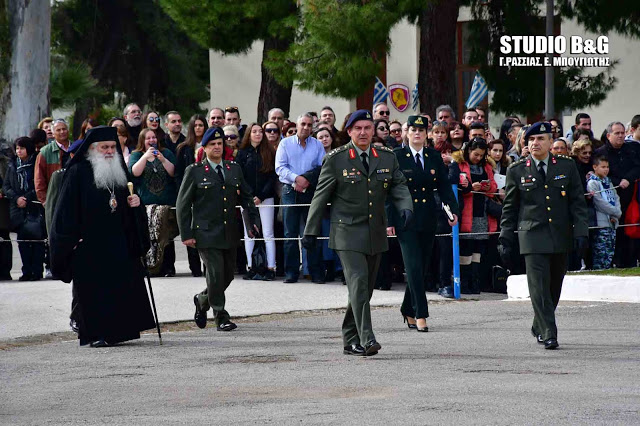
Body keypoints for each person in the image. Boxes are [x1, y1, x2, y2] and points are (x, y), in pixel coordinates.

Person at [302, 110, 413, 357]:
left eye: (367, 128)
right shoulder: (337, 159)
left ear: (373, 131)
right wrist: (310, 231)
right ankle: (367, 338)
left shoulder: (385, 157)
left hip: (375, 232)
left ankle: (349, 338)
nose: (363, 132)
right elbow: (320, 197)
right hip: (346, 231)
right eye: (357, 128)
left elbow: (399, 184)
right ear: (349, 131)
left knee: (363, 289)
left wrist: (405, 207)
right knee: (359, 283)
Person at [50, 126, 156, 347]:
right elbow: (65, 211)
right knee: (95, 294)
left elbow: (129, 202)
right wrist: (70, 240)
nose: (109, 151)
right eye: (104, 147)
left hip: (118, 242)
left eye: (112, 147)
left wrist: (135, 205)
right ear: (91, 149)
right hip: (90, 244)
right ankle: (96, 333)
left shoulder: (119, 170)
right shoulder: (77, 172)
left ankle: (119, 332)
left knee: (120, 289)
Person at [499, 122, 589, 350]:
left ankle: (539, 323)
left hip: (560, 234)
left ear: (551, 142)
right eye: (531, 140)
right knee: (538, 286)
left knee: (554, 287)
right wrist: (505, 236)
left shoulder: (566, 167)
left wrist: (581, 232)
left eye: (540, 139)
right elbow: (510, 208)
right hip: (532, 235)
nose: (535, 143)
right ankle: (549, 332)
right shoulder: (517, 169)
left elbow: (577, 203)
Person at [176, 127, 260, 331]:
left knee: (228, 275)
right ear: (204, 148)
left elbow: (247, 197)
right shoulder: (194, 171)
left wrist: (252, 222)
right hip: (205, 232)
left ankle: (202, 300)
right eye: (212, 144)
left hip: (229, 231)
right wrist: (186, 234)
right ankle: (221, 316)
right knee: (215, 273)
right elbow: (182, 205)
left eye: (220, 144)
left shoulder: (234, 168)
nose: (217, 147)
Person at [387, 116, 458, 332]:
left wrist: (452, 210)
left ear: (426, 133)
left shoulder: (433, 156)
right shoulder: (397, 156)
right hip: (405, 218)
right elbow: (390, 191)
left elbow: (444, 185)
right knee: (413, 266)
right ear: (406, 133)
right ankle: (421, 314)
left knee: (423, 266)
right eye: (413, 129)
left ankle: (407, 309)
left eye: (421, 129)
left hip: (428, 216)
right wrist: (389, 220)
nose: (417, 133)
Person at [275, 113, 325, 283]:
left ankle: (315, 272)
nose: (306, 127)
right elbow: (280, 168)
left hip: (310, 190)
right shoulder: (285, 143)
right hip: (290, 190)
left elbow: (322, 167)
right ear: (296, 125)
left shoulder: (317, 145)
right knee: (290, 233)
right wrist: (296, 179)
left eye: (309, 125)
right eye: (303, 124)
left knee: (311, 232)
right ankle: (291, 272)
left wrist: (306, 180)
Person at [129, 128, 178, 277]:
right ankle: (149, 266)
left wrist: (162, 159)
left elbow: (173, 172)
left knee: (166, 235)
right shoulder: (136, 155)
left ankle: (168, 266)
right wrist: (145, 157)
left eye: (154, 138)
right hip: (146, 205)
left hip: (166, 204)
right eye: (148, 138)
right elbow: (134, 172)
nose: (152, 141)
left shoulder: (167, 153)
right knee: (148, 235)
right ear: (142, 141)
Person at [453, 137, 498, 294]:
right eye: (475, 154)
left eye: (481, 155)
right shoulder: (459, 165)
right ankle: (464, 283)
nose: (478, 158)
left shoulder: (486, 167)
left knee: (478, 249)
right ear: (468, 151)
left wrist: (486, 187)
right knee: (466, 247)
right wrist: (470, 187)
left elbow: (494, 186)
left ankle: (475, 283)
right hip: (466, 211)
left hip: (481, 211)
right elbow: (456, 186)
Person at [594, 121, 640, 268]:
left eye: (622, 133)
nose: (621, 136)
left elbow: (637, 167)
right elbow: (601, 173)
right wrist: (618, 181)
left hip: (630, 196)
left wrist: (628, 179)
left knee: (630, 232)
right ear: (608, 135)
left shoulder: (632, 149)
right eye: (617, 133)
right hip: (611, 198)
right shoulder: (600, 153)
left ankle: (630, 262)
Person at [235, 123, 277, 281]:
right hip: (247, 199)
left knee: (268, 233)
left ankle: (271, 267)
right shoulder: (242, 153)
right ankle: (251, 266)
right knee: (249, 234)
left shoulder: (269, 152)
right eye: (254, 131)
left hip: (266, 198)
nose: (258, 134)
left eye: (260, 131)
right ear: (249, 134)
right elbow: (239, 177)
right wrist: (249, 196)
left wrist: (261, 195)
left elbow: (272, 176)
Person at [3, 137, 44, 281]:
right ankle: (26, 270)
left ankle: (37, 270)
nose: (19, 151)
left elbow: (40, 182)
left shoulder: (36, 162)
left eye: (22, 148)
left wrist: (26, 198)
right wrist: (16, 198)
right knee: (22, 240)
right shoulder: (12, 165)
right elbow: (6, 186)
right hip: (17, 207)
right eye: (17, 148)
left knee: (37, 239)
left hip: (33, 205)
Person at [175, 114, 208, 277]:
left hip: (207, 192)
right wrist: (184, 190)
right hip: (190, 192)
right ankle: (194, 267)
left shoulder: (211, 145)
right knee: (191, 228)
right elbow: (178, 173)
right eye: (195, 125)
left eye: (201, 125)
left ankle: (208, 265)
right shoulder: (184, 147)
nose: (198, 128)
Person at [587, 155, 622, 270]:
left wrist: (617, 213)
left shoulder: (608, 182)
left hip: (612, 222)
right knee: (600, 254)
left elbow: (616, 197)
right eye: (603, 167)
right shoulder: (592, 183)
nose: (606, 169)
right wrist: (616, 212)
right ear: (595, 167)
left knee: (609, 253)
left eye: (607, 167)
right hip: (600, 223)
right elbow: (599, 202)